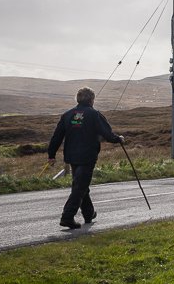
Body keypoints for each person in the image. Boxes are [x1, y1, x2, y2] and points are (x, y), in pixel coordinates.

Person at [48, 87, 124, 229]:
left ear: (78, 99)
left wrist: (51, 155)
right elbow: (106, 133)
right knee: (80, 186)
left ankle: (89, 214)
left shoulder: (68, 115)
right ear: (91, 100)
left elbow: (57, 136)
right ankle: (67, 217)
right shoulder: (94, 114)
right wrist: (118, 139)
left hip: (71, 156)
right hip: (87, 155)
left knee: (81, 184)